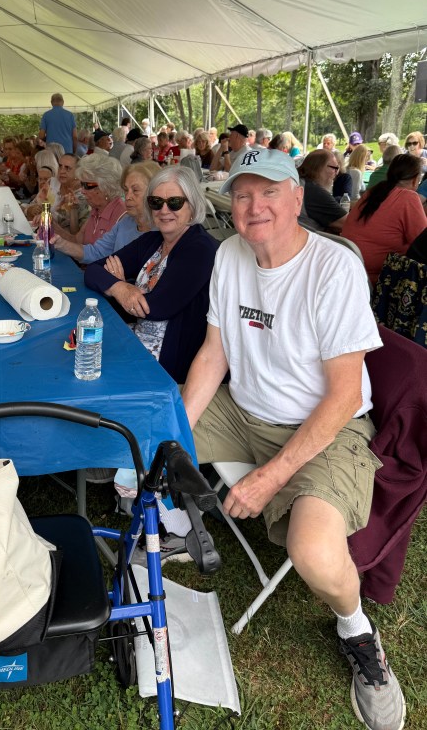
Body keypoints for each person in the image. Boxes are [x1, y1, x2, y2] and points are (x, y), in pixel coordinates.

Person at [182, 147, 405, 730]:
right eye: (242, 194)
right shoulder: (230, 254)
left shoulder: (333, 267)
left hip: (327, 427)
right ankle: (176, 526)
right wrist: (172, 431)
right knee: (148, 439)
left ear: (298, 197)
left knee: (313, 554)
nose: (254, 206)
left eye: (269, 192)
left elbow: (342, 396)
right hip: (243, 409)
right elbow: (214, 353)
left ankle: (357, 630)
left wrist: (270, 475)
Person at [84, 166, 218, 383]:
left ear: (192, 206)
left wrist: (119, 288)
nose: (164, 210)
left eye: (174, 202)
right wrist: (121, 287)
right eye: (156, 202)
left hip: (167, 366)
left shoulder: (200, 248)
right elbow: (92, 271)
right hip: (136, 344)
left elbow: (156, 308)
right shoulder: (152, 240)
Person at [341, 154, 427, 285]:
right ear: (416, 180)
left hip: (351, 270)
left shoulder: (372, 192)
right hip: (382, 280)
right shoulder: (408, 197)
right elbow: (422, 245)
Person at [54, 161, 159, 264]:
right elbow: (96, 252)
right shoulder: (125, 223)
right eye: (126, 190)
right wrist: (59, 243)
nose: (127, 196)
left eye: (135, 190)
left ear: (154, 193)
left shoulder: (162, 231)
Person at [55, 155, 125, 246]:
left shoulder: (122, 215)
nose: (82, 191)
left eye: (87, 186)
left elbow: (98, 252)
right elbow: (76, 241)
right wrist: (51, 224)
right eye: (82, 184)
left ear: (105, 187)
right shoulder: (96, 210)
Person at [297, 150, 347, 232]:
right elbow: (348, 223)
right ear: (318, 168)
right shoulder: (314, 192)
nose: (337, 173)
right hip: (309, 238)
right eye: (335, 168)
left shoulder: (298, 182)